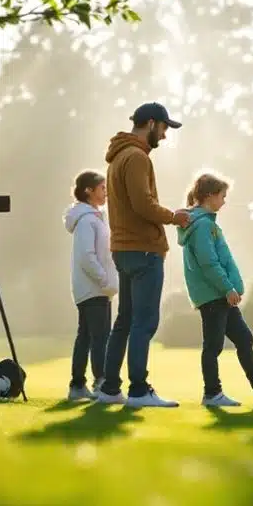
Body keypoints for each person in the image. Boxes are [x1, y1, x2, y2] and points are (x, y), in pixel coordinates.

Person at [95, 101, 190, 408]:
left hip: (124, 249)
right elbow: (143, 204)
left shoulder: (119, 156)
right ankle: (138, 390)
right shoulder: (136, 157)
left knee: (124, 320)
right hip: (143, 249)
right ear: (151, 123)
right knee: (144, 322)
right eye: (163, 129)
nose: (163, 136)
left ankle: (110, 388)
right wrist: (175, 216)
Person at [176, 172, 253, 408]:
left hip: (221, 296)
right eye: (222, 195)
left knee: (244, 338)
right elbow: (209, 263)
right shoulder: (202, 227)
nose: (224, 201)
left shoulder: (207, 224)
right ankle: (212, 393)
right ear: (209, 196)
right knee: (213, 345)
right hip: (213, 295)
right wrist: (228, 288)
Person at [63, 170, 119, 401]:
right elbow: (87, 257)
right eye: (102, 188)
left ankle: (77, 387)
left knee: (86, 335)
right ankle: (102, 383)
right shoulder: (87, 220)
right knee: (100, 337)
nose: (106, 192)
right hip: (94, 288)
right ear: (88, 190)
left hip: (93, 288)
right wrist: (105, 280)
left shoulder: (94, 217)